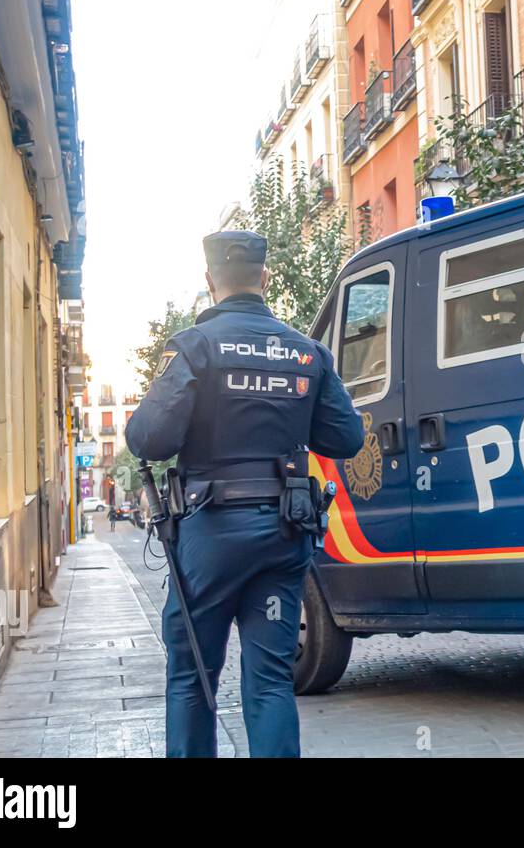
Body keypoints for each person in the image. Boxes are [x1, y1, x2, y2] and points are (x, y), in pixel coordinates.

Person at [125, 231, 362, 758]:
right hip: (283, 534)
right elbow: (345, 438)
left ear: (210, 282)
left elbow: (148, 439)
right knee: (272, 681)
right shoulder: (308, 354)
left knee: (192, 677)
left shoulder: (194, 348)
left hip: (210, 536)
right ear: (266, 278)